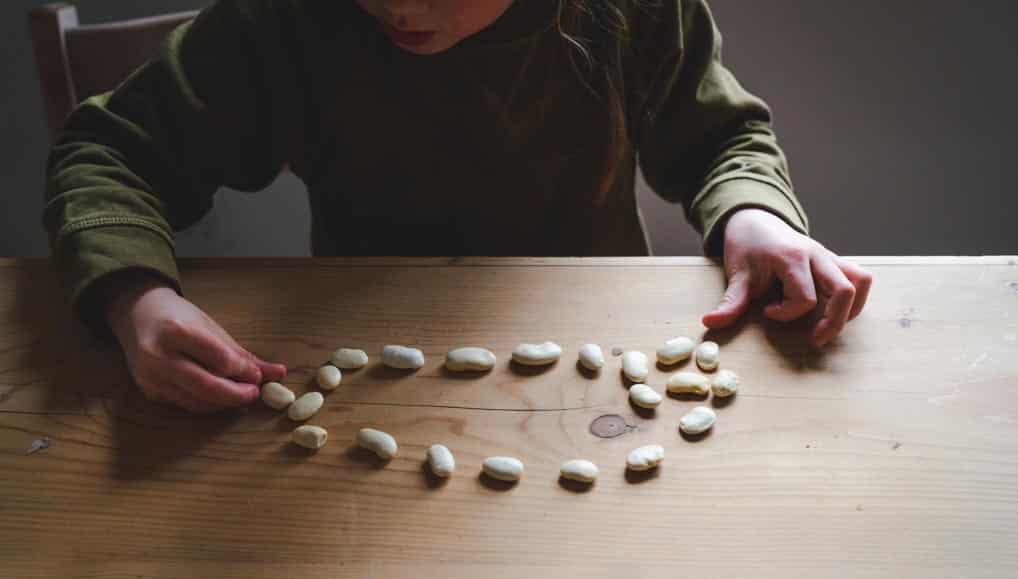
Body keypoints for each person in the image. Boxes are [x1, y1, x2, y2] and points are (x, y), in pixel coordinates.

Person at [44, 0, 872, 414]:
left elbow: (723, 140)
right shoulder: (288, 22)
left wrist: (753, 216)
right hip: (372, 382)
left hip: (596, 385)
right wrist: (132, 298)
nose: (401, 7)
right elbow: (105, 153)